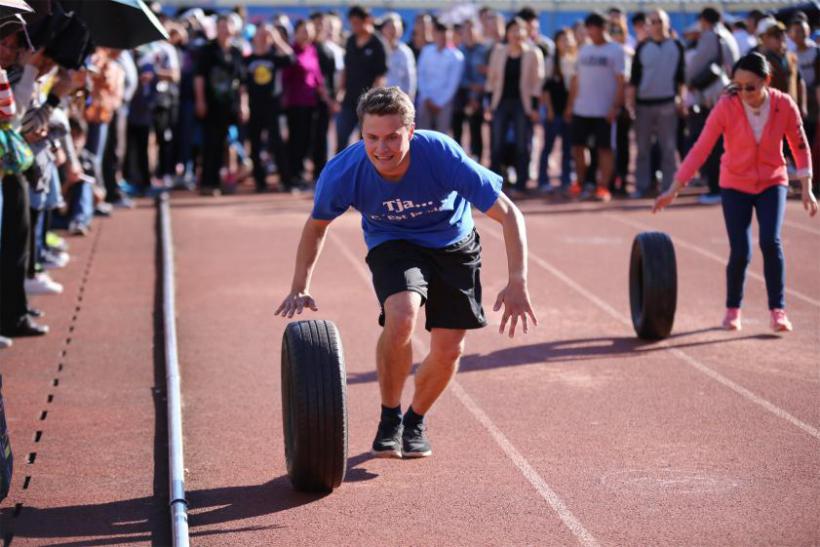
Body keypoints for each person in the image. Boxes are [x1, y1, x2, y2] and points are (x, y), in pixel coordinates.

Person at [274, 86, 536, 459]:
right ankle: (390, 415)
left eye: (393, 137)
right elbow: (316, 226)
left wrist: (518, 280)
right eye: (372, 138)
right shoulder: (344, 171)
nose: (382, 149)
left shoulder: (441, 154)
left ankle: (415, 420)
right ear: (360, 134)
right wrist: (300, 286)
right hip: (392, 241)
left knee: (448, 349)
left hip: (453, 244)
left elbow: (508, 214)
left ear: (410, 132)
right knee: (401, 315)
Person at [653, 52, 817, 332]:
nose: (743, 93)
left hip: (771, 181)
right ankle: (733, 309)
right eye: (737, 86)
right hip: (735, 183)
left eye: (750, 87)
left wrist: (807, 189)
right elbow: (701, 147)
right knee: (740, 251)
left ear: (766, 81)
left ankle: (778, 310)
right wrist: (675, 186)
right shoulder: (726, 106)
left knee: (770, 242)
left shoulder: (783, 105)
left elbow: (799, 147)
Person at [564, 11, 627, 202]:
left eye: (593, 28)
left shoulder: (616, 50)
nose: (590, 32)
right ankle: (582, 184)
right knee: (578, 147)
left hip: (604, 111)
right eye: (588, 28)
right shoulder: (584, 50)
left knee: (604, 149)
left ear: (603, 28)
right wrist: (570, 105)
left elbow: (621, 81)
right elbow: (576, 80)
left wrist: (615, 107)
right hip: (582, 109)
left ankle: (603, 187)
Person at [627, 9, 685, 198]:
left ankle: (669, 187)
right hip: (644, 104)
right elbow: (634, 79)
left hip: (667, 102)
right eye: (652, 21)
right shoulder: (642, 47)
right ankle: (641, 186)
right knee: (642, 148)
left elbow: (681, 77)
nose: (656, 25)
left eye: (660, 21)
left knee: (668, 147)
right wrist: (630, 103)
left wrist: (681, 100)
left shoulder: (677, 46)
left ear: (667, 23)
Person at [685, 7, 740, 205]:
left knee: (710, 142)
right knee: (722, 143)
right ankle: (723, 185)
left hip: (712, 96)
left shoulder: (710, 36)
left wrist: (689, 81)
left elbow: (697, 66)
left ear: (704, 20)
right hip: (726, 93)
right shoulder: (727, 35)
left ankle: (716, 187)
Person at [486, 17, 544, 195]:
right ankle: (494, 185)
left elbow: (537, 82)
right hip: (501, 102)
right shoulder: (498, 52)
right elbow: (492, 79)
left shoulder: (533, 53)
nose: (517, 34)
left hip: (522, 104)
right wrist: (488, 104)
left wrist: (534, 108)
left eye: (520, 30)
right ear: (507, 33)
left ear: (526, 33)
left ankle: (521, 183)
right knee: (496, 143)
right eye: (513, 30)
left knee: (522, 144)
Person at [194, 14, 248, 196]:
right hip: (211, 106)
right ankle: (209, 183)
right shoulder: (207, 50)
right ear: (216, 29)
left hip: (230, 107)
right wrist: (200, 101)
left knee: (230, 145)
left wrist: (243, 104)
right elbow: (199, 78)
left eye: (228, 26)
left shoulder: (236, 52)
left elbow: (241, 82)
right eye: (222, 26)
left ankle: (227, 181)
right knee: (211, 144)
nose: (225, 30)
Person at [244, 22, 293, 192]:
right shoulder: (248, 59)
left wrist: (277, 39)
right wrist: (244, 105)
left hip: (273, 106)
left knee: (278, 143)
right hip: (254, 106)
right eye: (260, 36)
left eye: (266, 36)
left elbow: (291, 58)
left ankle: (285, 180)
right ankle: (260, 181)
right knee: (255, 145)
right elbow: (242, 85)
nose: (263, 39)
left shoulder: (274, 58)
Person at [335, 5, 387, 152]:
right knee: (341, 138)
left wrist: (373, 100)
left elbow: (381, 75)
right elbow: (345, 69)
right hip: (349, 100)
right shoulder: (350, 41)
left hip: (368, 103)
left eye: (357, 22)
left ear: (367, 20)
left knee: (365, 142)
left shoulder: (378, 44)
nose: (354, 26)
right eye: (352, 23)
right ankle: (340, 172)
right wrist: (340, 93)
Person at [538, 27, 576, 193]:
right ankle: (543, 179)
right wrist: (550, 110)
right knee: (548, 147)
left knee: (568, 149)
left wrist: (570, 108)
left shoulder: (575, 61)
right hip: (554, 112)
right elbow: (545, 89)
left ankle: (566, 180)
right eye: (562, 39)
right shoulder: (550, 62)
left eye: (568, 39)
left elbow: (575, 89)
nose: (565, 42)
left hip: (570, 112)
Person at [415, 20, 464, 133]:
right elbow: (421, 75)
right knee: (422, 133)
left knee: (442, 134)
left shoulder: (456, 56)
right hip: (425, 100)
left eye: (446, 34)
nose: (442, 37)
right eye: (440, 34)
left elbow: (453, 83)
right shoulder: (427, 51)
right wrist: (426, 97)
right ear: (435, 34)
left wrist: (440, 102)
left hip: (444, 103)